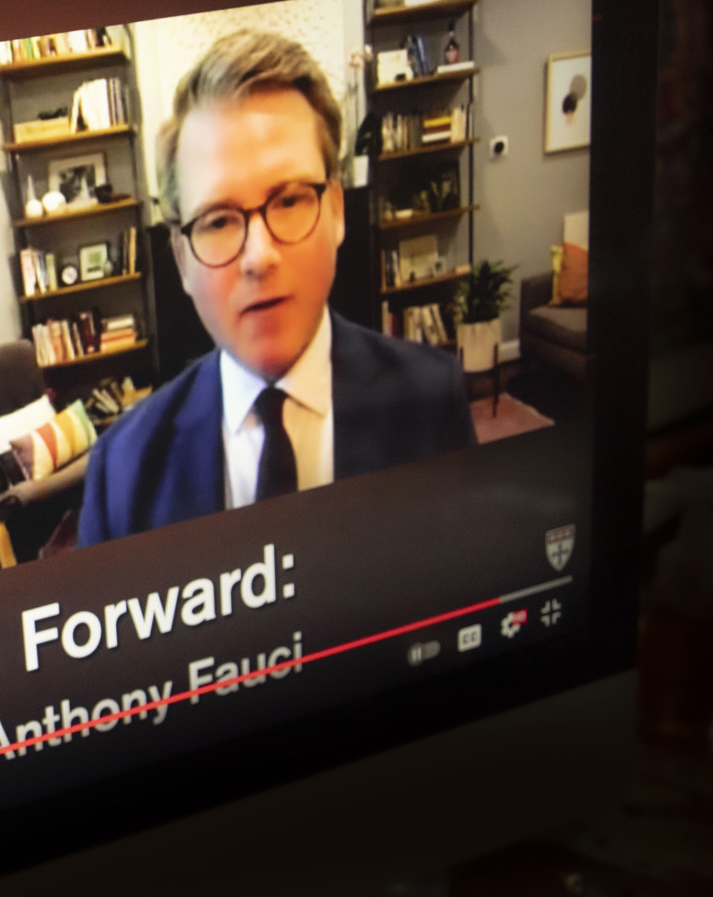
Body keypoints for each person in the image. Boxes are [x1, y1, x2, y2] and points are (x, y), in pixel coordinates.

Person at [78, 30, 475, 546]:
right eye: (219, 220)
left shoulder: (431, 401)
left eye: (288, 201)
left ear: (335, 210)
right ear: (180, 258)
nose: (259, 257)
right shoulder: (122, 470)